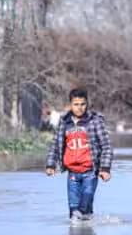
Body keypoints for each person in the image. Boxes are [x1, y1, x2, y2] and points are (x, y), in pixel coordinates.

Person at [45, 87, 113, 221]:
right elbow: (56, 144)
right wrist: (51, 164)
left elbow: (106, 146)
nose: (79, 108)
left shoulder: (95, 122)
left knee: (84, 206)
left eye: (83, 104)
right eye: (76, 104)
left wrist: (105, 169)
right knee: (73, 211)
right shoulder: (64, 122)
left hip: (90, 172)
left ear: (87, 104)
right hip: (72, 173)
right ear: (70, 105)